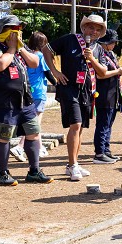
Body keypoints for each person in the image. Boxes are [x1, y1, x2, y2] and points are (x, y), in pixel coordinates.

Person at [0, 15, 52, 186]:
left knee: (33, 133)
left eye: (19, 29)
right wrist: (12, 49)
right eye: (13, 28)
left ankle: (34, 171)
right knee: (4, 137)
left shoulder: (20, 46)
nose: (17, 32)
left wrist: (20, 48)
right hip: (4, 102)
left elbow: (34, 63)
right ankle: (2, 173)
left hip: (25, 100)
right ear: (3, 29)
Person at [43, 14, 106, 181]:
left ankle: (74, 163)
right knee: (76, 125)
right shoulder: (70, 39)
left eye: (97, 29)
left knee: (81, 127)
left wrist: (92, 59)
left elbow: (103, 72)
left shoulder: (98, 48)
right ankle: (72, 165)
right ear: (83, 27)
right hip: (68, 88)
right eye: (91, 27)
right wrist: (55, 72)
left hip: (87, 91)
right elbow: (46, 49)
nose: (93, 31)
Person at [89, 28, 122, 163]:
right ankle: (99, 153)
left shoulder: (111, 54)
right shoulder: (98, 53)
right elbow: (101, 75)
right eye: (112, 42)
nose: (114, 45)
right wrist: (118, 71)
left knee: (109, 124)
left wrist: (119, 71)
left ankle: (106, 150)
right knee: (103, 124)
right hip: (104, 93)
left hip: (113, 93)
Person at [23, 31, 56, 156]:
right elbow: (48, 73)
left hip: (28, 90)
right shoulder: (41, 56)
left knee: (33, 120)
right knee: (35, 122)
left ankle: (40, 147)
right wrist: (57, 84)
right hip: (38, 92)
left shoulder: (27, 55)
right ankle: (20, 146)